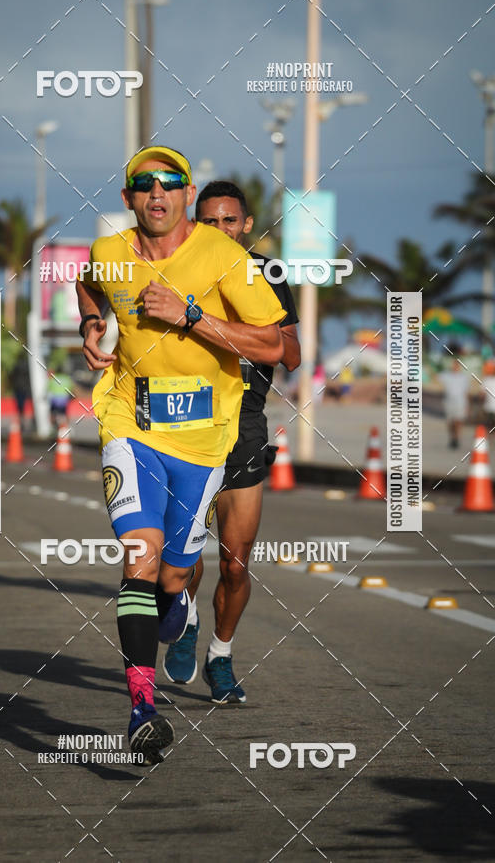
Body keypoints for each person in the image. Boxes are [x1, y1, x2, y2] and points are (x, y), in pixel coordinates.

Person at [76, 148, 286, 764]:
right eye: (144, 184)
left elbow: (273, 344)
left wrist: (191, 315)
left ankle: (179, 607)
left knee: (172, 579)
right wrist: (92, 325)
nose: (157, 193)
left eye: (169, 183)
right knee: (138, 558)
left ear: (187, 193)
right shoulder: (110, 254)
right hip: (128, 423)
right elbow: (91, 286)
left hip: (204, 440)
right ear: (128, 198)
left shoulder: (226, 257)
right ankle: (141, 711)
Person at [163, 180, 300, 703]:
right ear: (196, 224)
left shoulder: (267, 275)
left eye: (230, 221)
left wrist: (221, 324)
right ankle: (189, 617)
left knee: (237, 560)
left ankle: (221, 657)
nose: (220, 230)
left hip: (244, 422)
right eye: (209, 221)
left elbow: (289, 355)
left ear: (245, 226)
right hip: (188, 418)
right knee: (184, 553)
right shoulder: (176, 268)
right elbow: (99, 282)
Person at [438, 354, 471, 449]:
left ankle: (456, 438)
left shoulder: (464, 377)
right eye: (454, 365)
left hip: (460, 402)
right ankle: (452, 437)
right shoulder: (446, 375)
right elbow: (435, 380)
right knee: (450, 421)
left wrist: (468, 406)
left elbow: (466, 392)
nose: (455, 367)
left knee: (458, 421)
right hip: (449, 401)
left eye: (457, 365)